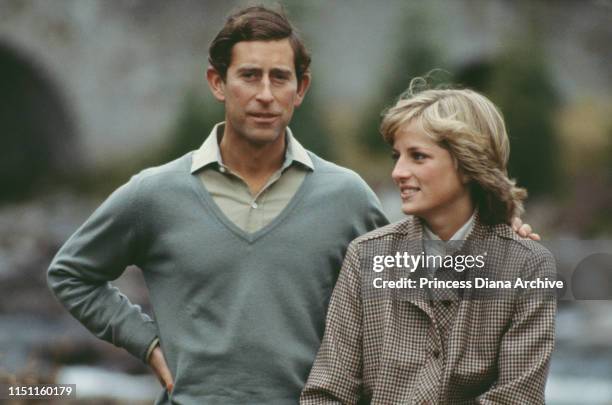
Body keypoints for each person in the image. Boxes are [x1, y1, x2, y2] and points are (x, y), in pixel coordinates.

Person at [47, 6, 538, 404]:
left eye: (280, 77)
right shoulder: (153, 193)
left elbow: (415, 285)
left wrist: (497, 229)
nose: (265, 94)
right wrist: (149, 344)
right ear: (218, 83)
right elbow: (71, 273)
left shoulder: (345, 196)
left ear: (299, 89)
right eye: (249, 76)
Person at [301, 81, 556, 404]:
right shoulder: (365, 256)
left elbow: (519, 398)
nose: (398, 172)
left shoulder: (528, 265)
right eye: (397, 156)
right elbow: (327, 393)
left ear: (467, 165)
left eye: (418, 157)